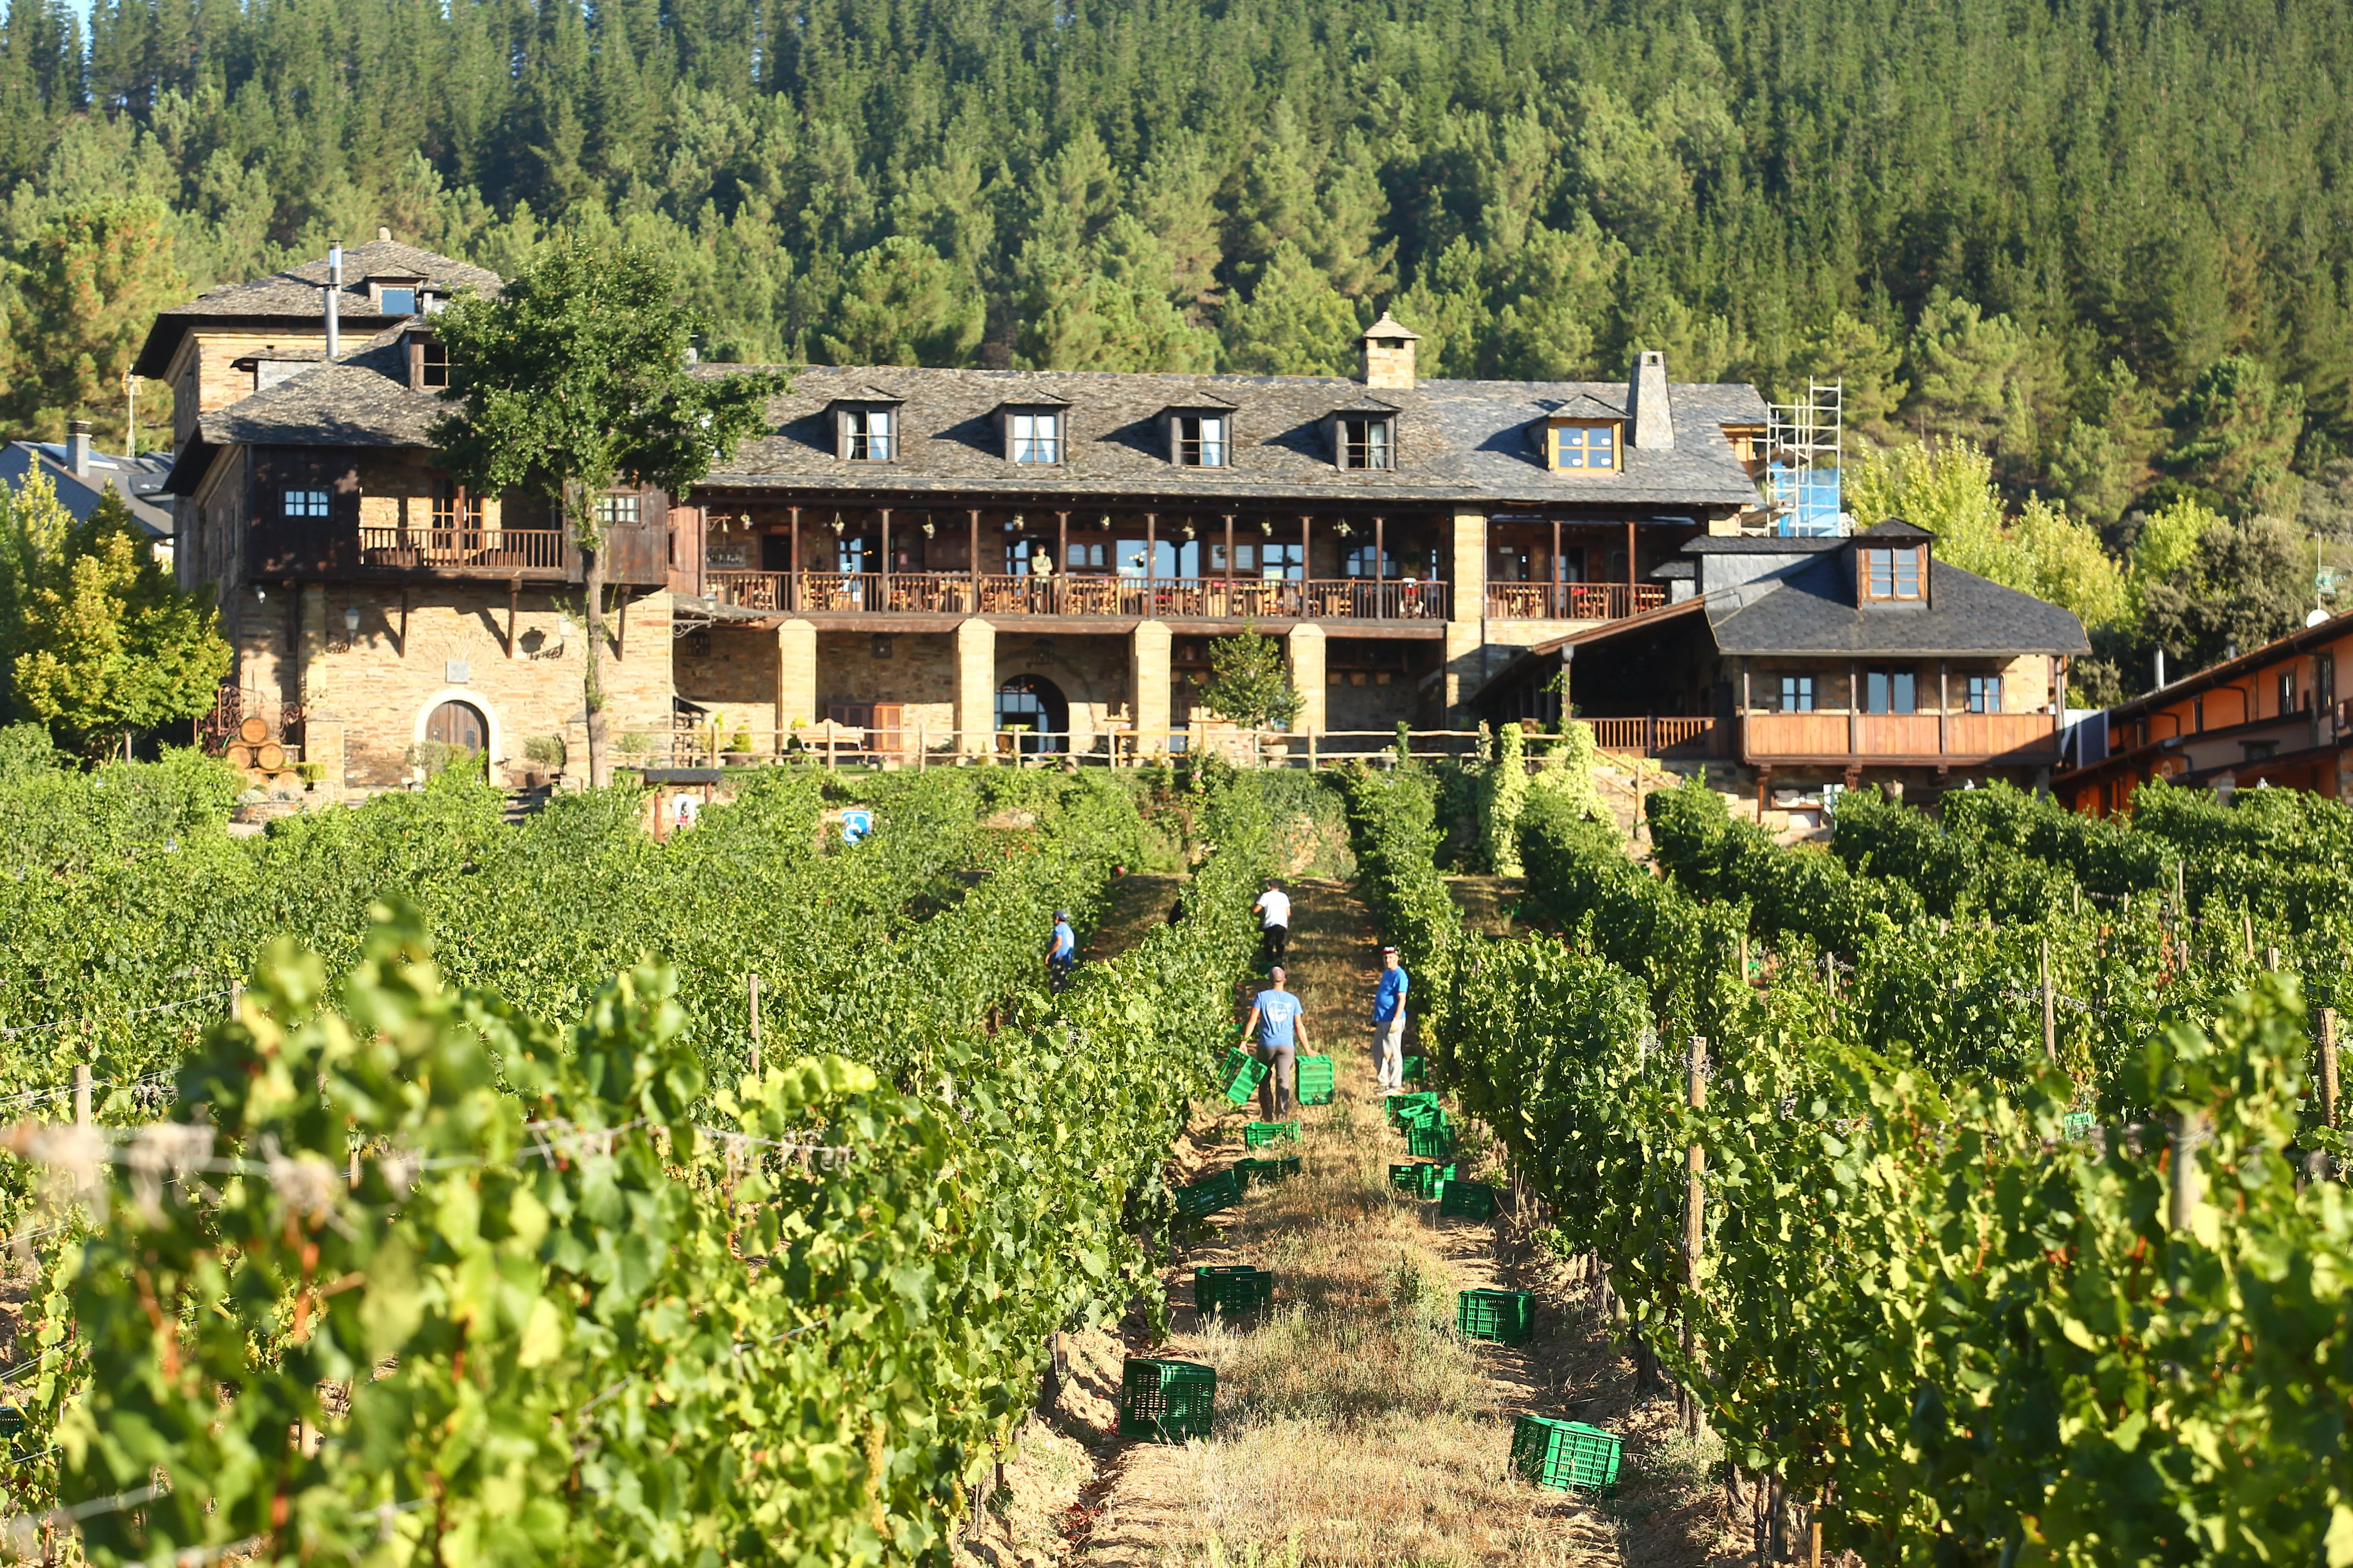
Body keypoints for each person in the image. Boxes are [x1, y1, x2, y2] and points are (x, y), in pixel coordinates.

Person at [1242, 966, 1306, 1120]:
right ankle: (1281, 1115)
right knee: (1283, 1080)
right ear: (1285, 981)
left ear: (1270, 981)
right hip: (1286, 1046)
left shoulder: (1262, 997)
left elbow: (1252, 1021)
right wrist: (1308, 1049)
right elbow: (1299, 1026)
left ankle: (1267, 1114)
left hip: (1266, 1045)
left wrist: (1244, 1042)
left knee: (1264, 1080)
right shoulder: (1293, 1000)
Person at [1372, 945, 1410, 1091]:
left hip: (1393, 1019)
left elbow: (1402, 999)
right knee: (1377, 1050)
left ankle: (1395, 1084)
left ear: (1397, 959)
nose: (1388, 960)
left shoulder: (1400, 976)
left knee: (1394, 1052)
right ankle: (1383, 1082)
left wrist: (1396, 1019)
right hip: (1382, 1018)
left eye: (1391, 958)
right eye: (1386, 958)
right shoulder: (1387, 973)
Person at [1254, 879, 1292, 967]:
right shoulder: (1284, 896)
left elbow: (1256, 910)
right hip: (1282, 924)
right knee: (1280, 943)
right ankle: (1279, 961)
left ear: (1269, 887)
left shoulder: (1266, 896)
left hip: (1269, 924)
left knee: (1269, 944)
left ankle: (1270, 963)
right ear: (1278, 888)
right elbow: (1289, 913)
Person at [1046, 909, 1076, 994]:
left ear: (1056, 918)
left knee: (1055, 988)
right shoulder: (1070, 931)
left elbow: (1059, 943)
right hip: (1068, 963)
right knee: (1065, 988)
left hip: (1060, 962)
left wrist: (1049, 954)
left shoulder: (1059, 929)